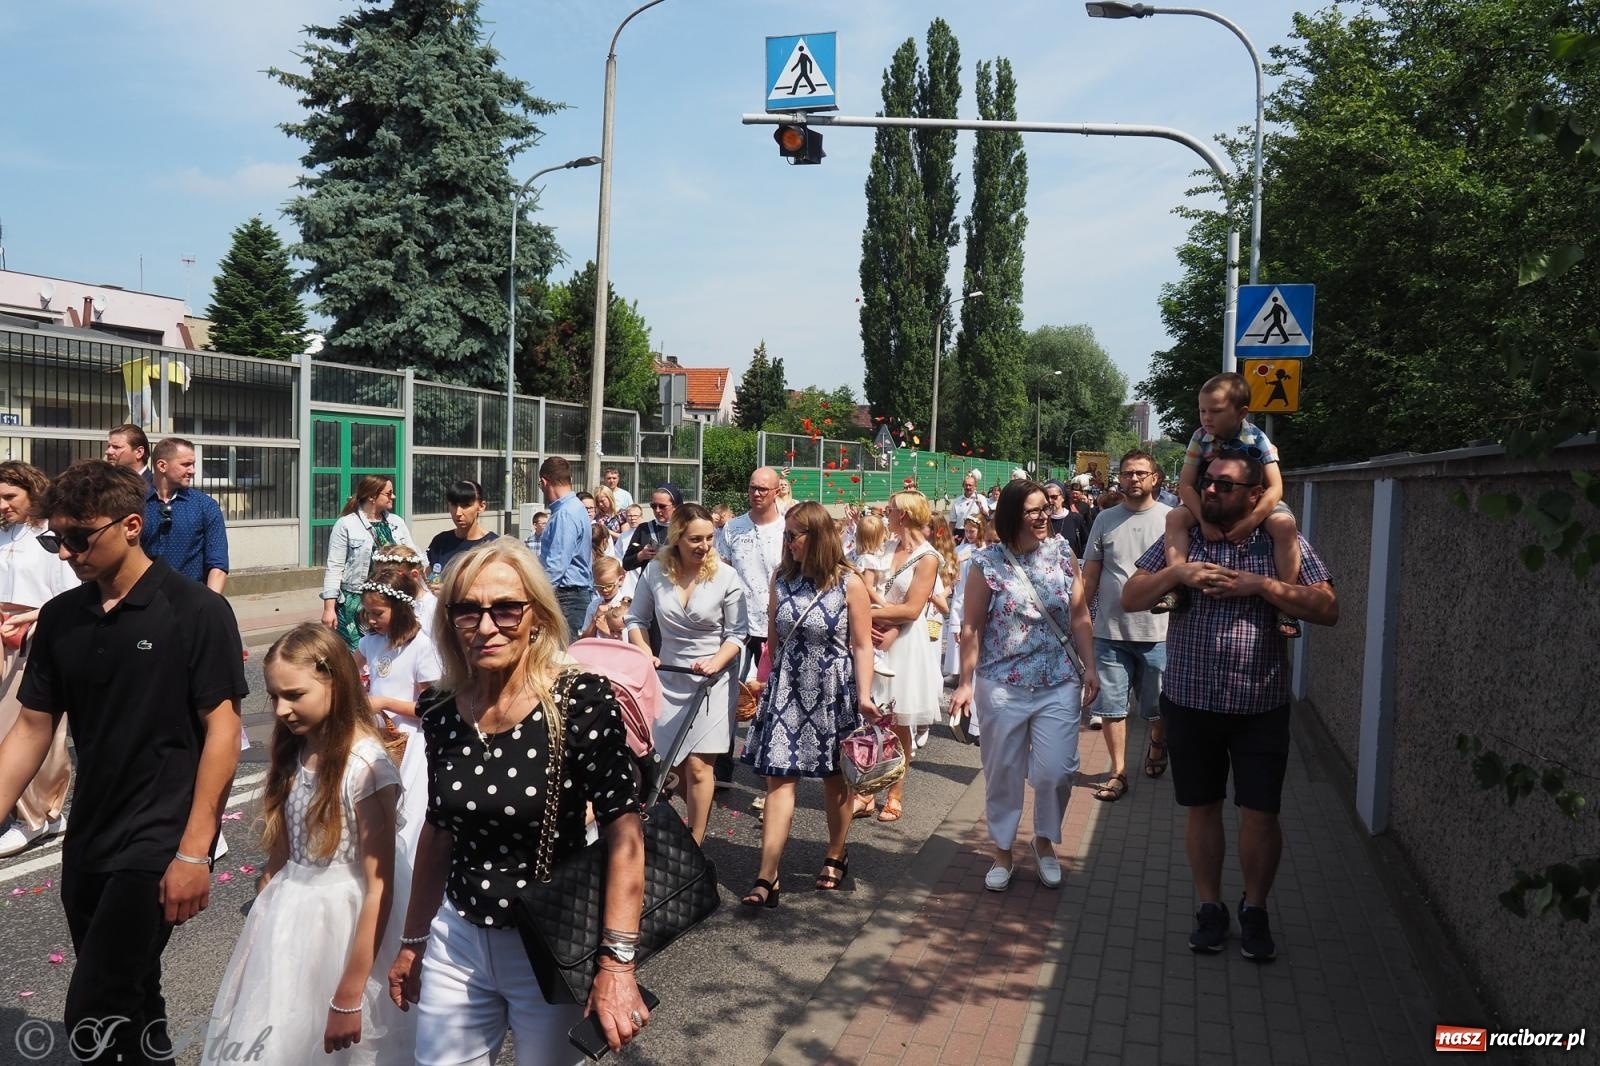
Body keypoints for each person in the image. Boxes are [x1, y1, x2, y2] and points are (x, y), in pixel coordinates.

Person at [0, 459, 246, 1063]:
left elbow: (223, 731)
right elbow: (32, 728)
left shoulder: (196, 612)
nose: (66, 553)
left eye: (81, 538)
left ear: (131, 525)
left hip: (161, 837)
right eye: (58, 538)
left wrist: (194, 850)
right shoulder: (61, 618)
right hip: (91, 833)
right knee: (135, 993)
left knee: (94, 1005)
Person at [385, 539, 650, 1061]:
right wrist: (413, 939)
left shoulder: (581, 700)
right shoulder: (440, 709)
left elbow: (624, 833)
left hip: (551, 944)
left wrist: (617, 964)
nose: (487, 627)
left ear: (537, 615)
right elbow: (439, 829)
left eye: (506, 608)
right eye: (468, 610)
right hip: (457, 937)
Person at [1122, 448, 1338, 960]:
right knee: (1202, 808)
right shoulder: (1185, 539)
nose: (1211, 491)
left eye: (1224, 485)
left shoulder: (1279, 538)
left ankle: (1255, 909)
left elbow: (1329, 608)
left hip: (1259, 704)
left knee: (1260, 813)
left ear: (1255, 494)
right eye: (1209, 482)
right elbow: (1130, 597)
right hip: (1190, 701)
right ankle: (1210, 907)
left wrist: (1262, 586)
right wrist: (1180, 576)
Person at [205, 624, 414, 1063]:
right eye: (274, 696)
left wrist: (349, 993)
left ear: (335, 682)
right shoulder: (295, 748)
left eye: (295, 695)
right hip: (290, 916)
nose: (280, 709)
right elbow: (284, 848)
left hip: (348, 924)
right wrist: (267, 896)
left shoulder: (366, 767)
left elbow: (379, 886)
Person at [950, 479, 1098, 892]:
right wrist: (964, 682)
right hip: (1002, 684)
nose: (1042, 515)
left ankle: (1044, 841)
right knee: (1003, 772)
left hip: (1058, 681)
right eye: (1033, 510)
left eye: (1045, 508)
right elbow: (972, 626)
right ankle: (1001, 850)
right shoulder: (984, 564)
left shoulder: (1062, 553)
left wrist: (1090, 667)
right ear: (1012, 514)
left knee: (1056, 772)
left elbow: (1080, 614)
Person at [740, 502, 877, 905]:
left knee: (835, 778)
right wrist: (765, 682)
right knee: (779, 779)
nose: (787, 543)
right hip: (786, 689)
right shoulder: (781, 578)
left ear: (817, 536)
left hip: (832, 688)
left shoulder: (849, 583)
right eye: (785, 534)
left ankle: (836, 851)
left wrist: (865, 696)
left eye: (794, 535)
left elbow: (863, 644)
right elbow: (773, 639)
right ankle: (767, 876)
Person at [624, 503, 747, 843]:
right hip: (669, 675)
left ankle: (696, 838)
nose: (704, 546)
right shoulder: (654, 573)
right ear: (677, 538)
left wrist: (717, 661)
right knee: (667, 765)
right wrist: (645, 652)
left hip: (712, 679)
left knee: (698, 766)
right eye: (695, 539)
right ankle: (679, 825)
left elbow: (737, 634)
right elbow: (636, 620)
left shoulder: (726, 576)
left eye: (709, 538)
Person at [1157, 372, 1304, 637]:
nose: (1206, 417)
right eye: (1202, 410)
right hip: (1210, 502)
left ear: (1241, 412)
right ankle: (1176, 583)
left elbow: (1276, 487)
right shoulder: (1200, 437)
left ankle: (1286, 602)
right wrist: (1203, 520)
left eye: (1215, 411)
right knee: (1175, 519)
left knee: (1284, 525)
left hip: (1254, 503)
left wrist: (1252, 520)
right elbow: (1186, 485)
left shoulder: (1257, 439)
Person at [1080, 450, 1172, 802]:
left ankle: (1157, 742)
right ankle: (1117, 771)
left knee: (1156, 707)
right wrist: (1081, 615)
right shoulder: (1105, 519)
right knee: (1111, 707)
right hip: (1109, 632)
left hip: (1157, 633)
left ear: (1155, 478)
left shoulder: (1172, 519)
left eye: (1141, 473)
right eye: (1127, 473)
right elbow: (1090, 572)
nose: (1133, 479)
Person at [0, 462, 79, 858]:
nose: (3, 505)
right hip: (3, 639)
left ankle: (38, 816)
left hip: (36, 638)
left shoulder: (50, 537)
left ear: (32, 493)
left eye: (10, 497)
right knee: (4, 729)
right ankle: (25, 810)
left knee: (38, 729)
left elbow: (68, 596)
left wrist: (32, 619)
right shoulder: (4, 535)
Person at [860, 490, 943, 823]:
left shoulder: (928, 557)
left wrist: (874, 610)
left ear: (904, 515)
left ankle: (894, 793)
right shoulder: (886, 547)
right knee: (872, 716)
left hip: (906, 642)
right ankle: (866, 790)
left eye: (890, 509)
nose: (885, 513)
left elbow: (912, 609)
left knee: (898, 723)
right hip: (876, 635)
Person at [357, 565, 441, 859]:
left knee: (407, 815)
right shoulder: (370, 643)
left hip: (411, 742)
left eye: (378, 613)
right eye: (367, 613)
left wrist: (383, 702)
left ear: (400, 608)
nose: (371, 619)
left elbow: (428, 708)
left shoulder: (421, 647)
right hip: (378, 737)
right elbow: (349, 672)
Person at [716, 467, 787, 791]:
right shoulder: (733, 528)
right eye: (752, 488)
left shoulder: (787, 527)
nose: (756, 493)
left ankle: (769, 770)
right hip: (739, 626)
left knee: (773, 698)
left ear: (776, 492)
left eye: (763, 489)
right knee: (730, 695)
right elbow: (722, 572)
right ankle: (722, 765)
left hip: (776, 625)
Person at [322, 476, 421, 651]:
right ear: (372, 497)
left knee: (389, 650)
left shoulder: (396, 523)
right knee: (357, 657)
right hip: (355, 604)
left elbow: (414, 557)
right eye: (389, 493)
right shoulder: (346, 524)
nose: (393, 497)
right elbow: (334, 567)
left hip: (391, 603)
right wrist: (329, 609)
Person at [141, 436, 229, 593]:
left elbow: (217, 564)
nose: (193, 471)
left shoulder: (205, 506)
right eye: (186, 465)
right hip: (144, 602)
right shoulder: (135, 505)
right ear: (162, 466)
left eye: (193, 464)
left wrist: (211, 606)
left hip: (190, 603)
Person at [535, 456, 593, 642]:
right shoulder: (575, 507)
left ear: (545, 482)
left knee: (564, 661)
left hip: (567, 597)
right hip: (573, 596)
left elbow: (555, 566)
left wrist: (536, 595)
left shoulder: (565, 514)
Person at [425, 480, 497, 586]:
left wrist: (449, 592)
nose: (458, 513)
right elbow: (431, 576)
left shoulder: (494, 545)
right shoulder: (440, 542)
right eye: (454, 505)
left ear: (481, 506)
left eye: (465, 505)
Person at [622, 484, 679, 574]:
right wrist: (641, 555)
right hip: (648, 584)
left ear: (675, 506)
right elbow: (626, 564)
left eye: (662, 506)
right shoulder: (643, 529)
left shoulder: (683, 529)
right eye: (653, 506)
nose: (657, 510)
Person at [581, 557, 633, 640]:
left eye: (609, 586)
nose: (604, 590)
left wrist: (607, 631)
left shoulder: (627, 606)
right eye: (599, 586)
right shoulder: (593, 606)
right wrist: (595, 619)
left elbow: (628, 641)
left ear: (621, 580)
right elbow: (584, 640)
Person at [1044, 480, 1089, 560]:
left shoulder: (1076, 518)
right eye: (1047, 497)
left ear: (1063, 497)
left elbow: (1086, 543)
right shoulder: (1042, 519)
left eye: (1054, 497)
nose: (1050, 501)